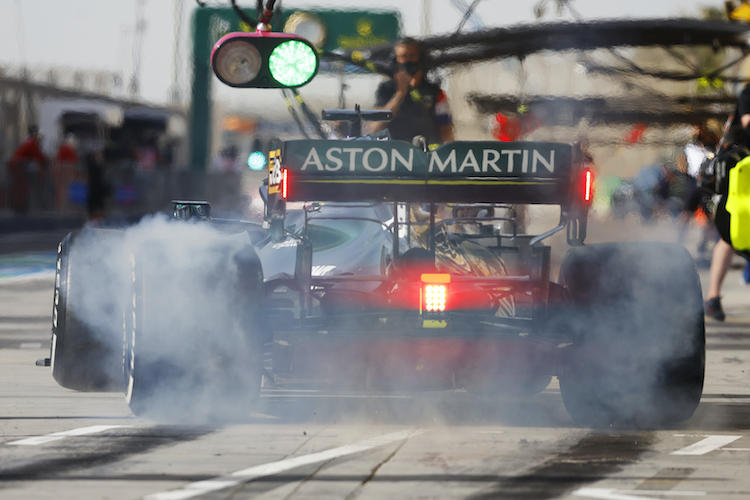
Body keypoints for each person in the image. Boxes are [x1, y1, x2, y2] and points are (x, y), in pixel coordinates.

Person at [704, 83, 750, 320]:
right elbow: (748, 124)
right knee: (728, 235)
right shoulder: (748, 92)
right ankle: (712, 297)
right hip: (741, 174)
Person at [369, 37, 454, 149]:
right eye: (403, 57)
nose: (408, 61)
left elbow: (446, 131)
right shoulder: (386, 89)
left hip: (426, 154)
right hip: (396, 153)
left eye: (412, 56)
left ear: (421, 58)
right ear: (396, 60)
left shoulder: (435, 91)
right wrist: (400, 94)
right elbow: (375, 127)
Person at [7, 125, 48, 214]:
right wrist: (46, 160)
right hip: (19, 169)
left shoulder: (28, 142)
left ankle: (22, 207)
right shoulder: (31, 143)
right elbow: (38, 155)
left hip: (18, 168)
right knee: (26, 188)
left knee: (22, 188)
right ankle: (24, 207)